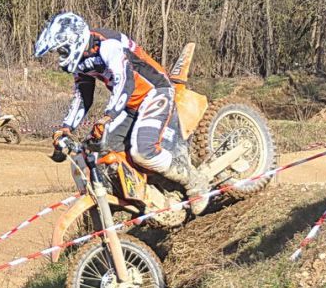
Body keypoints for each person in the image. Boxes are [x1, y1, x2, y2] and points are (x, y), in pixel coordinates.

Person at [33, 11, 208, 215]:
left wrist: (108, 117)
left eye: (62, 50)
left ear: (74, 39)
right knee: (95, 153)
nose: (61, 55)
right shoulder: (81, 60)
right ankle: (138, 201)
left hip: (155, 92)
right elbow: (82, 96)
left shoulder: (108, 45)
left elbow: (125, 81)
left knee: (143, 150)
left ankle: (195, 181)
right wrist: (66, 128)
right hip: (130, 105)